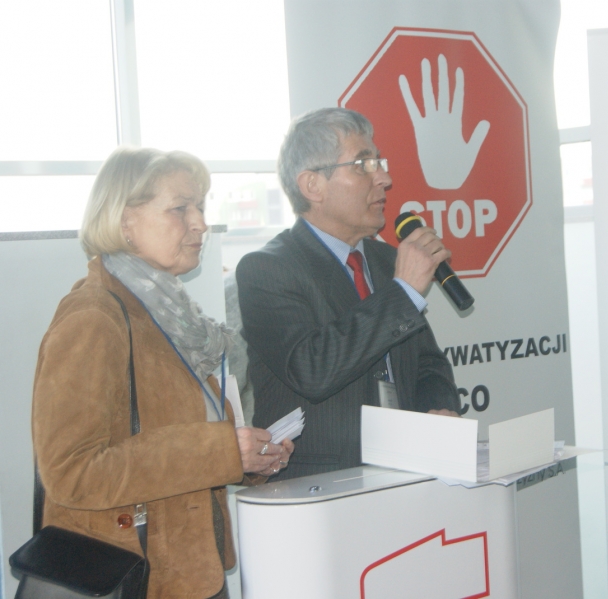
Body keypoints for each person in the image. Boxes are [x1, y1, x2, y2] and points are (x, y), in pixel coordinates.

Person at [32, 147, 294, 599]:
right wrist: (220, 450)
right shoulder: (93, 316)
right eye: (180, 208)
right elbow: (71, 472)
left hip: (187, 571)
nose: (200, 223)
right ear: (124, 221)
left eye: (201, 206)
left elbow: (177, 443)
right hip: (132, 577)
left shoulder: (170, 317)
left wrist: (248, 460)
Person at [236, 107, 460, 480]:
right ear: (313, 186)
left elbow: (427, 363)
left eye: (379, 163)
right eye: (363, 165)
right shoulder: (267, 269)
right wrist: (404, 291)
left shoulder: (387, 260)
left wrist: (437, 409)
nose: (385, 178)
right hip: (320, 488)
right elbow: (312, 369)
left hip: (406, 472)